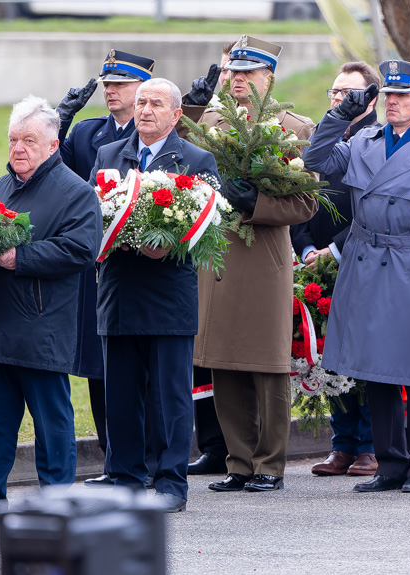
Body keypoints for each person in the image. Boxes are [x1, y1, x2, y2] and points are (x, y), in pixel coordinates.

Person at [303, 59, 410, 493]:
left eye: (401, 96)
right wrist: (339, 115)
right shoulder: (365, 141)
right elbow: (314, 159)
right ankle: (390, 462)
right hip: (366, 262)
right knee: (375, 367)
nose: (391, 103)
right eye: (387, 95)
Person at [0, 96, 102, 526]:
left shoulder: (76, 192)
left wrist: (20, 257)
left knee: (51, 424)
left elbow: (82, 249)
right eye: (13, 139)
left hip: (42, 327)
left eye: (29, 140)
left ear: (52, 145)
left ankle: (56, 503)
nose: (18, 148)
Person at [193, 36, 318, 494]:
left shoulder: (293, 128)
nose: (237, 80)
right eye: (233, 72)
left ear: (269, 77)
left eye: (248, 72)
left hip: (264, 254)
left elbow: (306, 203)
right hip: (219, 253)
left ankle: (270, 463)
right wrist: (190, 105)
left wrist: (257, 201)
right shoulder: (209, 121)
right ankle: (239, 461)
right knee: (222, 361)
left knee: (266, 365)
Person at [91, 77, 220, 512]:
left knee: (170, 397)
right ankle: (125, 477)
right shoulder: (109, 155)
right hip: (119, 292)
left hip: (168, 294)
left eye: (156, 103)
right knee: (121, 395)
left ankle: (170, 482)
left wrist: (170, 242)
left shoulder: (196, 160)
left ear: (176, 114)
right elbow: (95, 214)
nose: (145, 109)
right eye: (141, 101)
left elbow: (207, 229)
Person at [56, 50, 155, 487]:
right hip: (96, 265)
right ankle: (112, 458)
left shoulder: (152, 131)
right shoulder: (86, 133)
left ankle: (149, 458)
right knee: (101, 367)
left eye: (121, 84)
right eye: (107, 84)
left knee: (144, 370)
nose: (111, 91)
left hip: (142, 264)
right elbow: (55, 176)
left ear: (142, 89)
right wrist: (59, 121)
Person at [291, 61, 382, 478]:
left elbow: (376, 212)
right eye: (334, 92)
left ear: (370, 99)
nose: (339, 99)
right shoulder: (325, 139)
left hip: (360, 261)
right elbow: (303, 201)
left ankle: (369, 444)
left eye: (349, 93)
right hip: (319, 264)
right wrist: (307, 247)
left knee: (363, 357)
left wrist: (334, 249)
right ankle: (342, 443)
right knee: (329, 356)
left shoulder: (379, 140)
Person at [188, 40, 236, 477]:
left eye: (236, 68)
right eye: (224, 67)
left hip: (240, 248)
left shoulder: (260, 120)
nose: (228, 76)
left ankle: (237, 444)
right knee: (201, 357)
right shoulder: (207, 114)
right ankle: (212, 444)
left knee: (231, 352)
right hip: (201, 254)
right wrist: (193, 106)